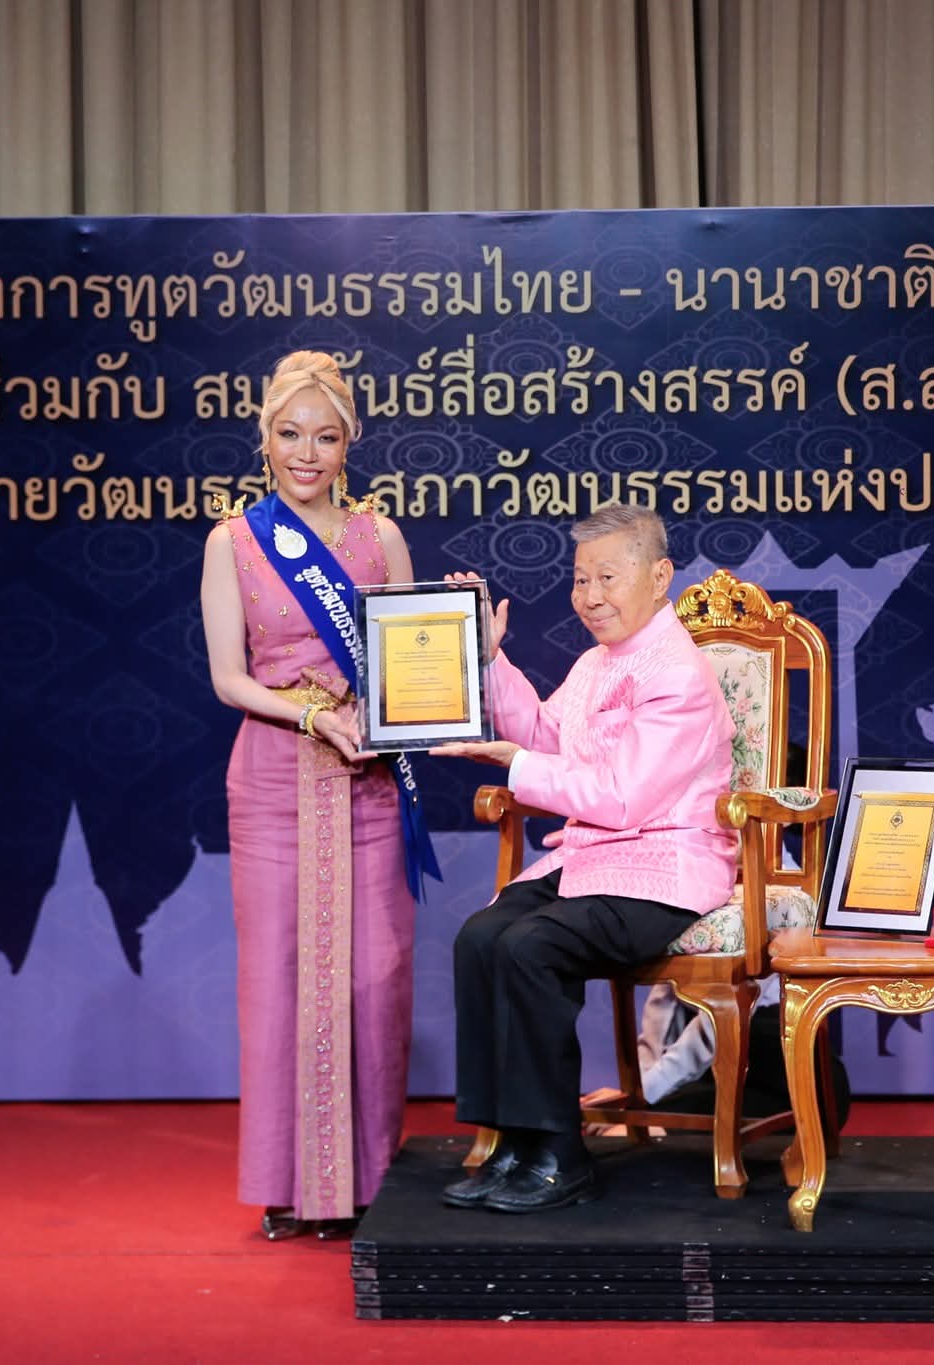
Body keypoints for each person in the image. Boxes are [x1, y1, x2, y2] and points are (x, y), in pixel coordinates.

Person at [429, 504, 736, 1213]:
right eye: (579, 579)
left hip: (663, 872)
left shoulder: (678, 673)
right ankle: (510, 1143)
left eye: (607, 577)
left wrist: (515, 766)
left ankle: (559, 1155)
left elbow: (622, 797)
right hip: (592, 861)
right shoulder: (596, 663)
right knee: (482, 935)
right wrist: (490, 659)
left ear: (658, 576)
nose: (590, 595)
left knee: (529, 945)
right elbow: (545, 736)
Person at [198, 350, 434, 1241]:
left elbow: (411, 666)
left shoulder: (381, 538)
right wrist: (311, 714)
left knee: (376, 979)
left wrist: (453, 656)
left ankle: (368, 1180)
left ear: (349, 443)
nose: (307, 453)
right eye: (291, 434)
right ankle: (288, 1187)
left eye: (325, 437)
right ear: (264, 439)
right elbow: (229, 678)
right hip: (273, 779)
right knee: (278, 981)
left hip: (365, 781)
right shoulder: (234, 541)